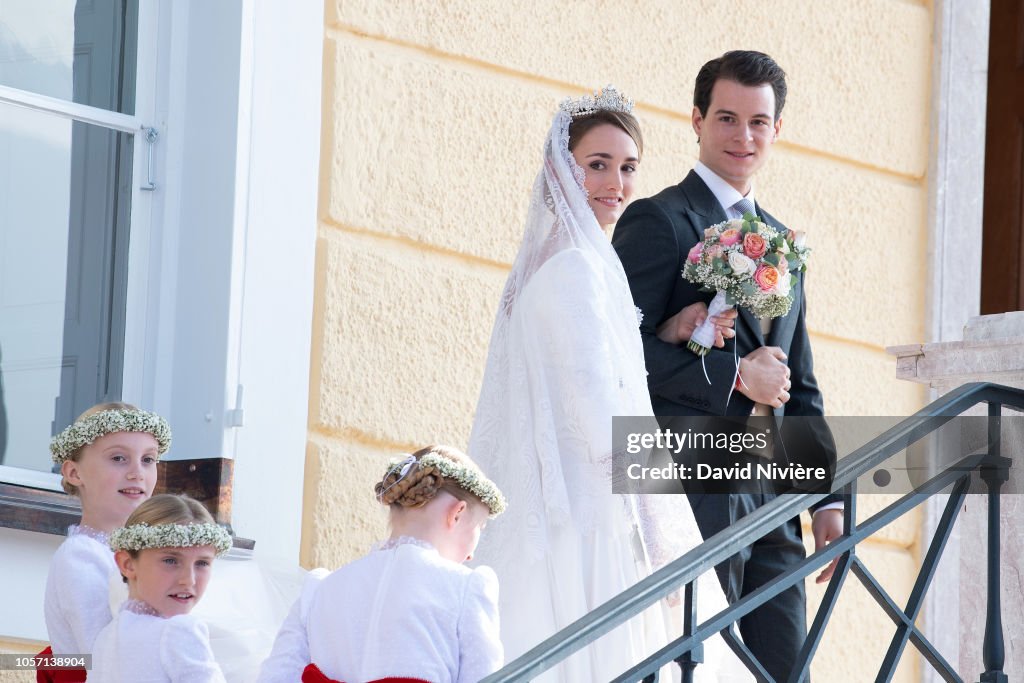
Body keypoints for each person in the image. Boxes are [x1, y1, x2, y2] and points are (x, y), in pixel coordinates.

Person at [468, 87, 742, 682]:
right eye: (597, 165)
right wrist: (666, 514)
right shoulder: (574, 268)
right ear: (562, 168)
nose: (615, 184)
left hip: (576, 502)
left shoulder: (564, 261)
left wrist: (672, 330)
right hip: (593, 516)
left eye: (628, 167)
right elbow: (599, 419)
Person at [611, 51, 843, 681]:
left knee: (782, 667)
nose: (744, 137)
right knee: (701, 667)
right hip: (693, 482)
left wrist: (827, 500)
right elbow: (619, 355)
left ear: (777, 130)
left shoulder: (784, 243)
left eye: (759, 122)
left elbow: (803, 383)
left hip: (775, 487)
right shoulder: (657, 220)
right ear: (696, 120)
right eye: (727, 118)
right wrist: (736, 377)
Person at [257, 445, 506, 683]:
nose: (471, 555)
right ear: (458, 513)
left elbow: (276, 677)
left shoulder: (318, 591)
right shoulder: (466, 587)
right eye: (480, 528)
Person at [40, 402, 169, 682]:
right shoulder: (80, 556)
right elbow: (102, 659)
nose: (137, 472)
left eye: (148, 459)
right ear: (74, 473)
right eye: (119, 458)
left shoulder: (144, 554)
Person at [90, 494, 232, 682]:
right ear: (127, 564)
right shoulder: (179, 631)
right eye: (171, 560)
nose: (188, 580)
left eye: (202, 563)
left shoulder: (105, 637)